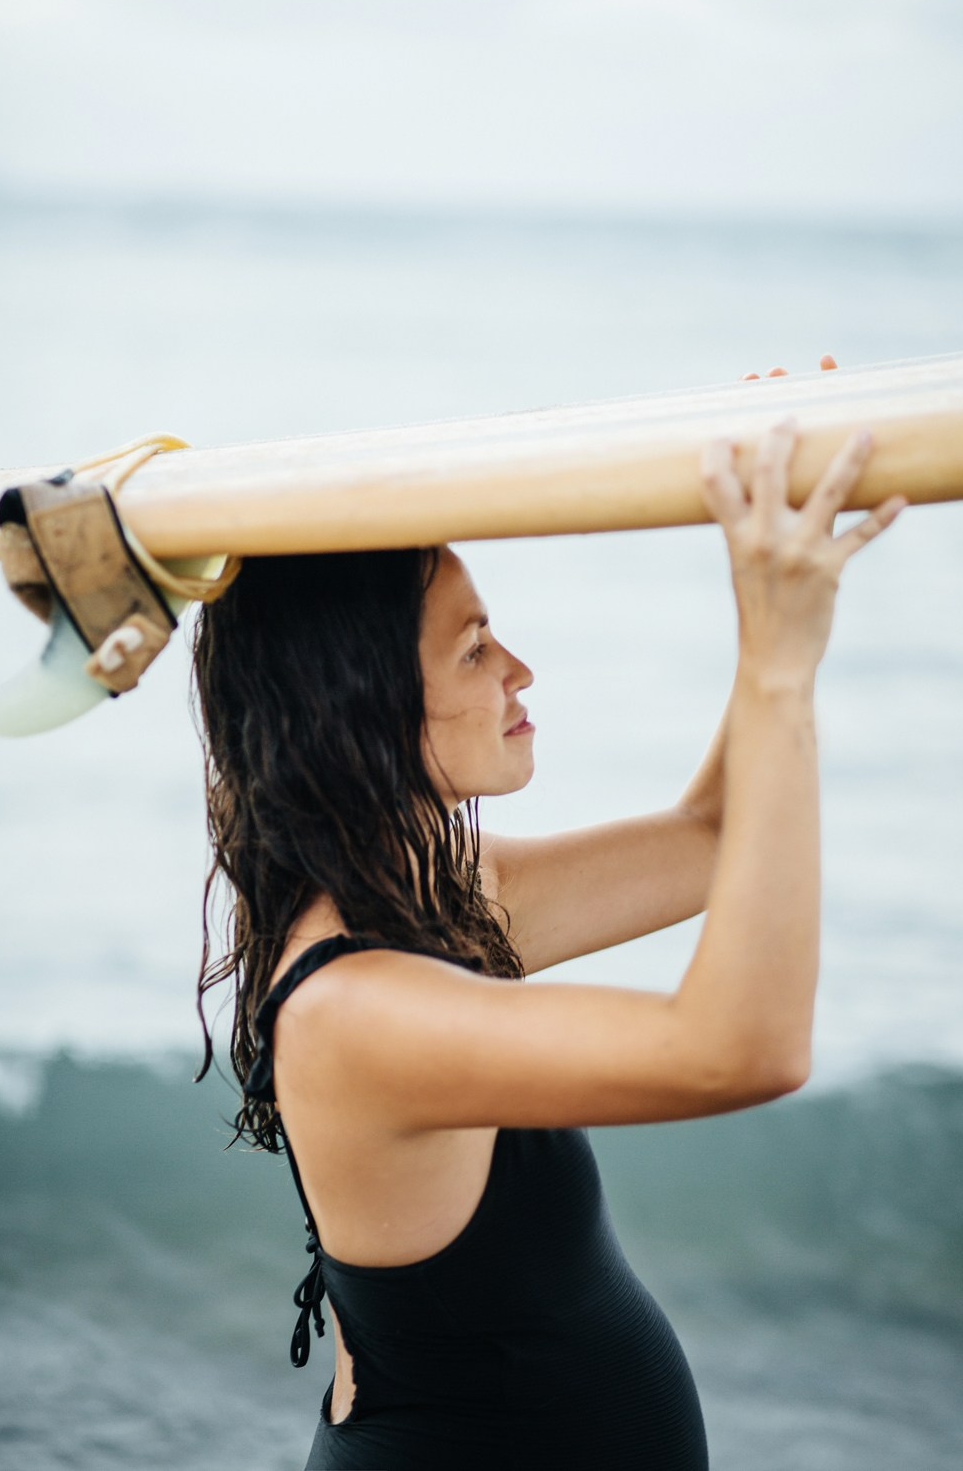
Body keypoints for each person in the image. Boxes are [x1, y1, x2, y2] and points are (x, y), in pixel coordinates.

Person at [190, 413, 906, 1470]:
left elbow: (714, 838)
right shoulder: (357, 1010)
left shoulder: (432, 895)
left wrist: (773, 556)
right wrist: (779, 667)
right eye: (475, 646)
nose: (518, 669)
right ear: (363, 707)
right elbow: (744, 1048)